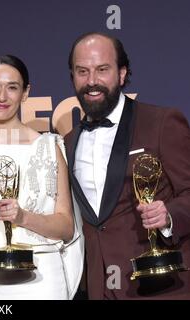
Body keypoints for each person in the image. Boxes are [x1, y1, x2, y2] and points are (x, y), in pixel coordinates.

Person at [64, 32, 190, 299]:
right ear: (73, 77)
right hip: (100, 287)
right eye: (82, 71)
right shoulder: (69, 141)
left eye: (102, 70)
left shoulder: (161, 123)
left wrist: (168, 215)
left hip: (159, 282)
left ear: (122, 74)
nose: (92, 81)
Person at [0, 55, 84, 300]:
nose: (2, 96)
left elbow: (66, 227)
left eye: (12, 87)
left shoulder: (48, 147)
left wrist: (23, 217)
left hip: (41, 277)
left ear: (26, 93)